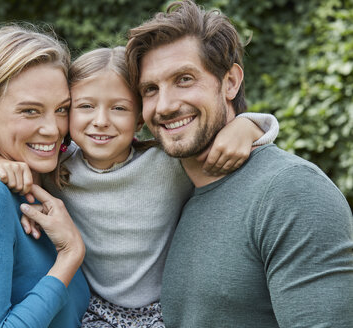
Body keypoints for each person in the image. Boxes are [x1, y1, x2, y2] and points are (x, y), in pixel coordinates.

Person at [0, 44, 279, 327]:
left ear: (140, 117)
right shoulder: (59, 168)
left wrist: (244, 126)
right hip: (97, 313)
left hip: (163, 310)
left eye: (119, 108)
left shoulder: (167, 165)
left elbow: (232, 137)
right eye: (83, 107)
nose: (101, 121)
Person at [125, 1, 353, 327]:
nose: (165, 105)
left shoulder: (290, 191)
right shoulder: (165, 192)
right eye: (150, 89)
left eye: (185, 79)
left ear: (230, 81)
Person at [0, 25, 90, 327]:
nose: (53, 129)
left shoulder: (53, 173)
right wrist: (69, 256)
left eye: (62, 109)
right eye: (30, 111)